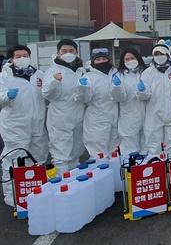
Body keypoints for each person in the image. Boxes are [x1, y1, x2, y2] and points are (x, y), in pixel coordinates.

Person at [0, 45, 48, 207]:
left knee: (38, 157)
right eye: (18, 56)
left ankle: (36, 192)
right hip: (16, 124)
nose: (22, 58)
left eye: (25, 55)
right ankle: (12, 195)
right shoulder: (4, 77)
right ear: (12, 60)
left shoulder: (38, 75)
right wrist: (6, 96)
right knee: (14, 159)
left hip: (37, 124)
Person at [42, 39, 87, 175]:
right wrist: (54, 82)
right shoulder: (53, 70)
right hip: (60, 117)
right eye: (64, 51)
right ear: (58, 53)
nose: (68, 53)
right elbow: (46, 94)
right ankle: (61, 186)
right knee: (61, 155)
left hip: (79, 114)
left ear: (76, 52)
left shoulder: (81, 70)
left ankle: (73, 183)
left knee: (76, 152)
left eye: (71, 51)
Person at [137, 40, 171, 154]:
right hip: (154, 114)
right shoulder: (147, 73)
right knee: (154, 144)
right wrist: (142, 91)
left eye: (161, 54)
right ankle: (157, 167)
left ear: (167, 55)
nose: (159, 57)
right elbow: (145, 96)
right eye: (156, 54)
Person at [75, 48, 119, 158]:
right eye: (98, 59)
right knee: (98, 153)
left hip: (115, 118)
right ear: (93, 61)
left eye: (104, 58)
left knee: (115, 151)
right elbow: (83, 99)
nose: (101, 61)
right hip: (97, 119)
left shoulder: (115, 74)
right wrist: (82, 88)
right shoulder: (89, 77)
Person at [110, 48, 147, 156]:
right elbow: (117, 98)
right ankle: (130, 171)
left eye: (132, 58)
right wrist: (116, 88)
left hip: (147, 113)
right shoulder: (119, 75)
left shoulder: (146, 72)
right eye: (127, 59)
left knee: (148, 145)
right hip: (128, 116)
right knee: (130, 147)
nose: (130, 61)